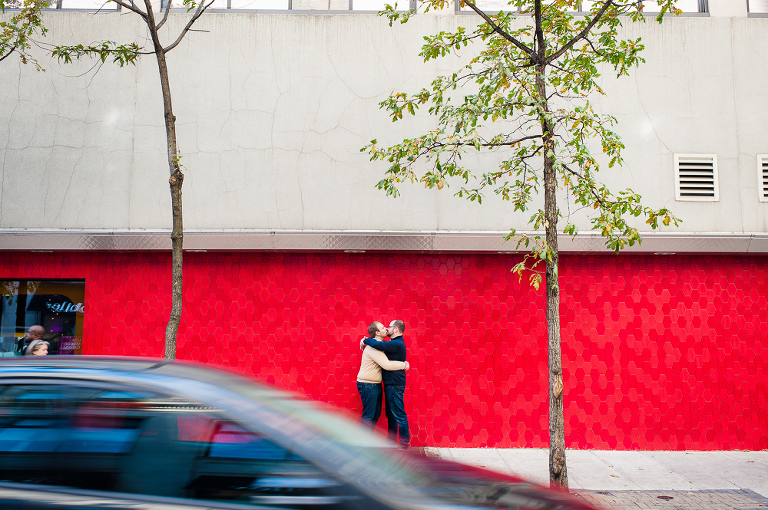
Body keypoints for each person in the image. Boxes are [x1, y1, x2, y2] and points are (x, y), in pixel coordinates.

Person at [361, 319, 409, 449]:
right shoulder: (393, 343)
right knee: (391, 415)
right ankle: (391, 441)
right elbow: (378, 345)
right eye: (384, 327)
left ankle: (404, 444)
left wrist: (365, 340)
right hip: (389, 384)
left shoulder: (396, 343)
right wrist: (366, 340)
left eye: (389, 326)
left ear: (396, 330)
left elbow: (380, 348)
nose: (387, 329)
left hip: (394, 384)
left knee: (398, 414)